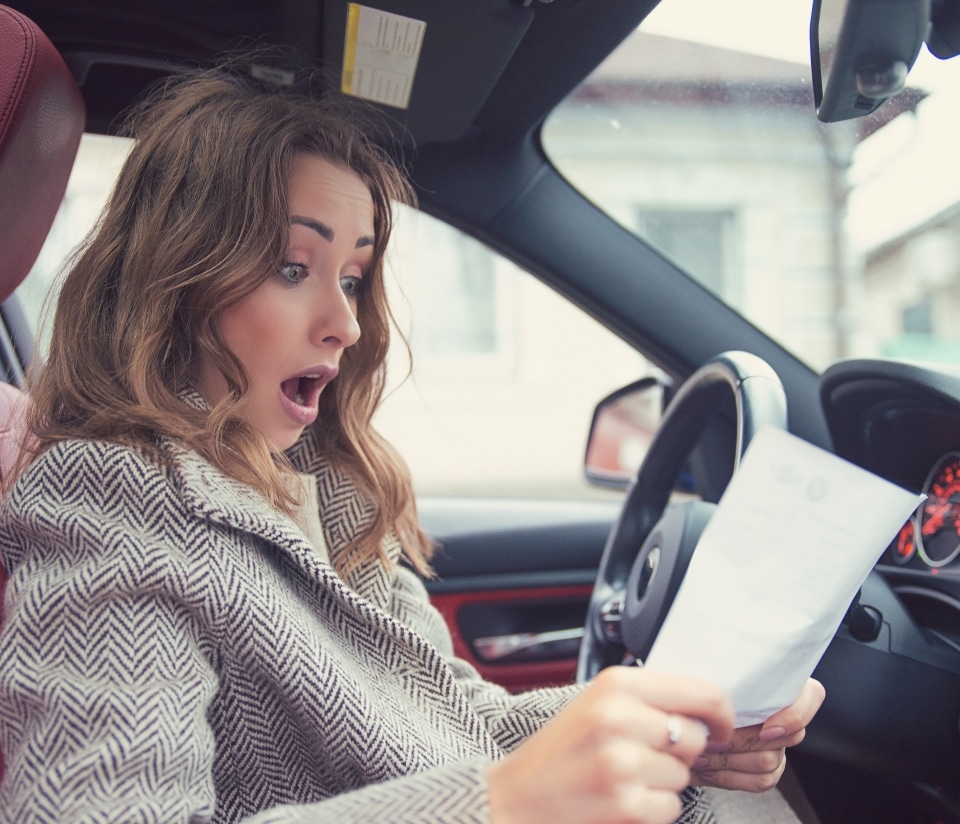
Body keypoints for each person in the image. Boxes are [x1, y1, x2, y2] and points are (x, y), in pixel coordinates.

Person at [0, 66, 823, 824]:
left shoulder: (326, 484)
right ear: (178, 280)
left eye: (353, 278)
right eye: (294, 267)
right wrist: (501, 804)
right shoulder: (109, 494)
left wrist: (661, 727)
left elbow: (456, 723)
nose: (347, 323)